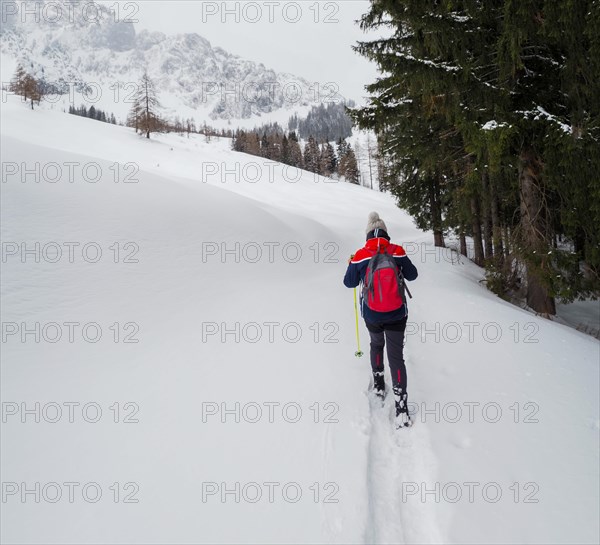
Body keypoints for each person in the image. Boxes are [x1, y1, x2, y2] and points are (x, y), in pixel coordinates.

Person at [343, 212, 418, 428]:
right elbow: (412, 275)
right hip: (396, 313)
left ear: (367, 235)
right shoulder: (397, 251)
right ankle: (401, 407)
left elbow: (349, 283)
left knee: (376, 344)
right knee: (396, 357)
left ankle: (378, 384)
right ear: (386, 233)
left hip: (372, 313)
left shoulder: (360, 254)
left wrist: (352, 264)